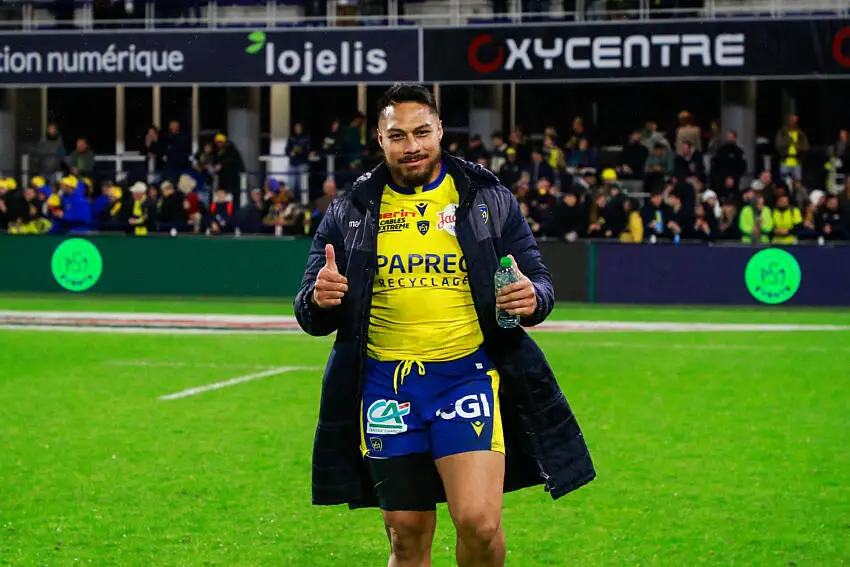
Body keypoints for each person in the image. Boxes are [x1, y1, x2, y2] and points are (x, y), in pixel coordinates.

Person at [294, 83, 594, 567]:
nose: (411, 145)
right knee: (406, 536)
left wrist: (530, 297)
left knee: (479, 523)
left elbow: (539, 283)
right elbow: (310, 311)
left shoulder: (486, 197)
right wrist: (318, 298)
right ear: (380, 139)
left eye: (421, 132)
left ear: (439, 131)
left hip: (465, 377)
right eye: (397, 136)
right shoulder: (352, 209)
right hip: (384, 385)